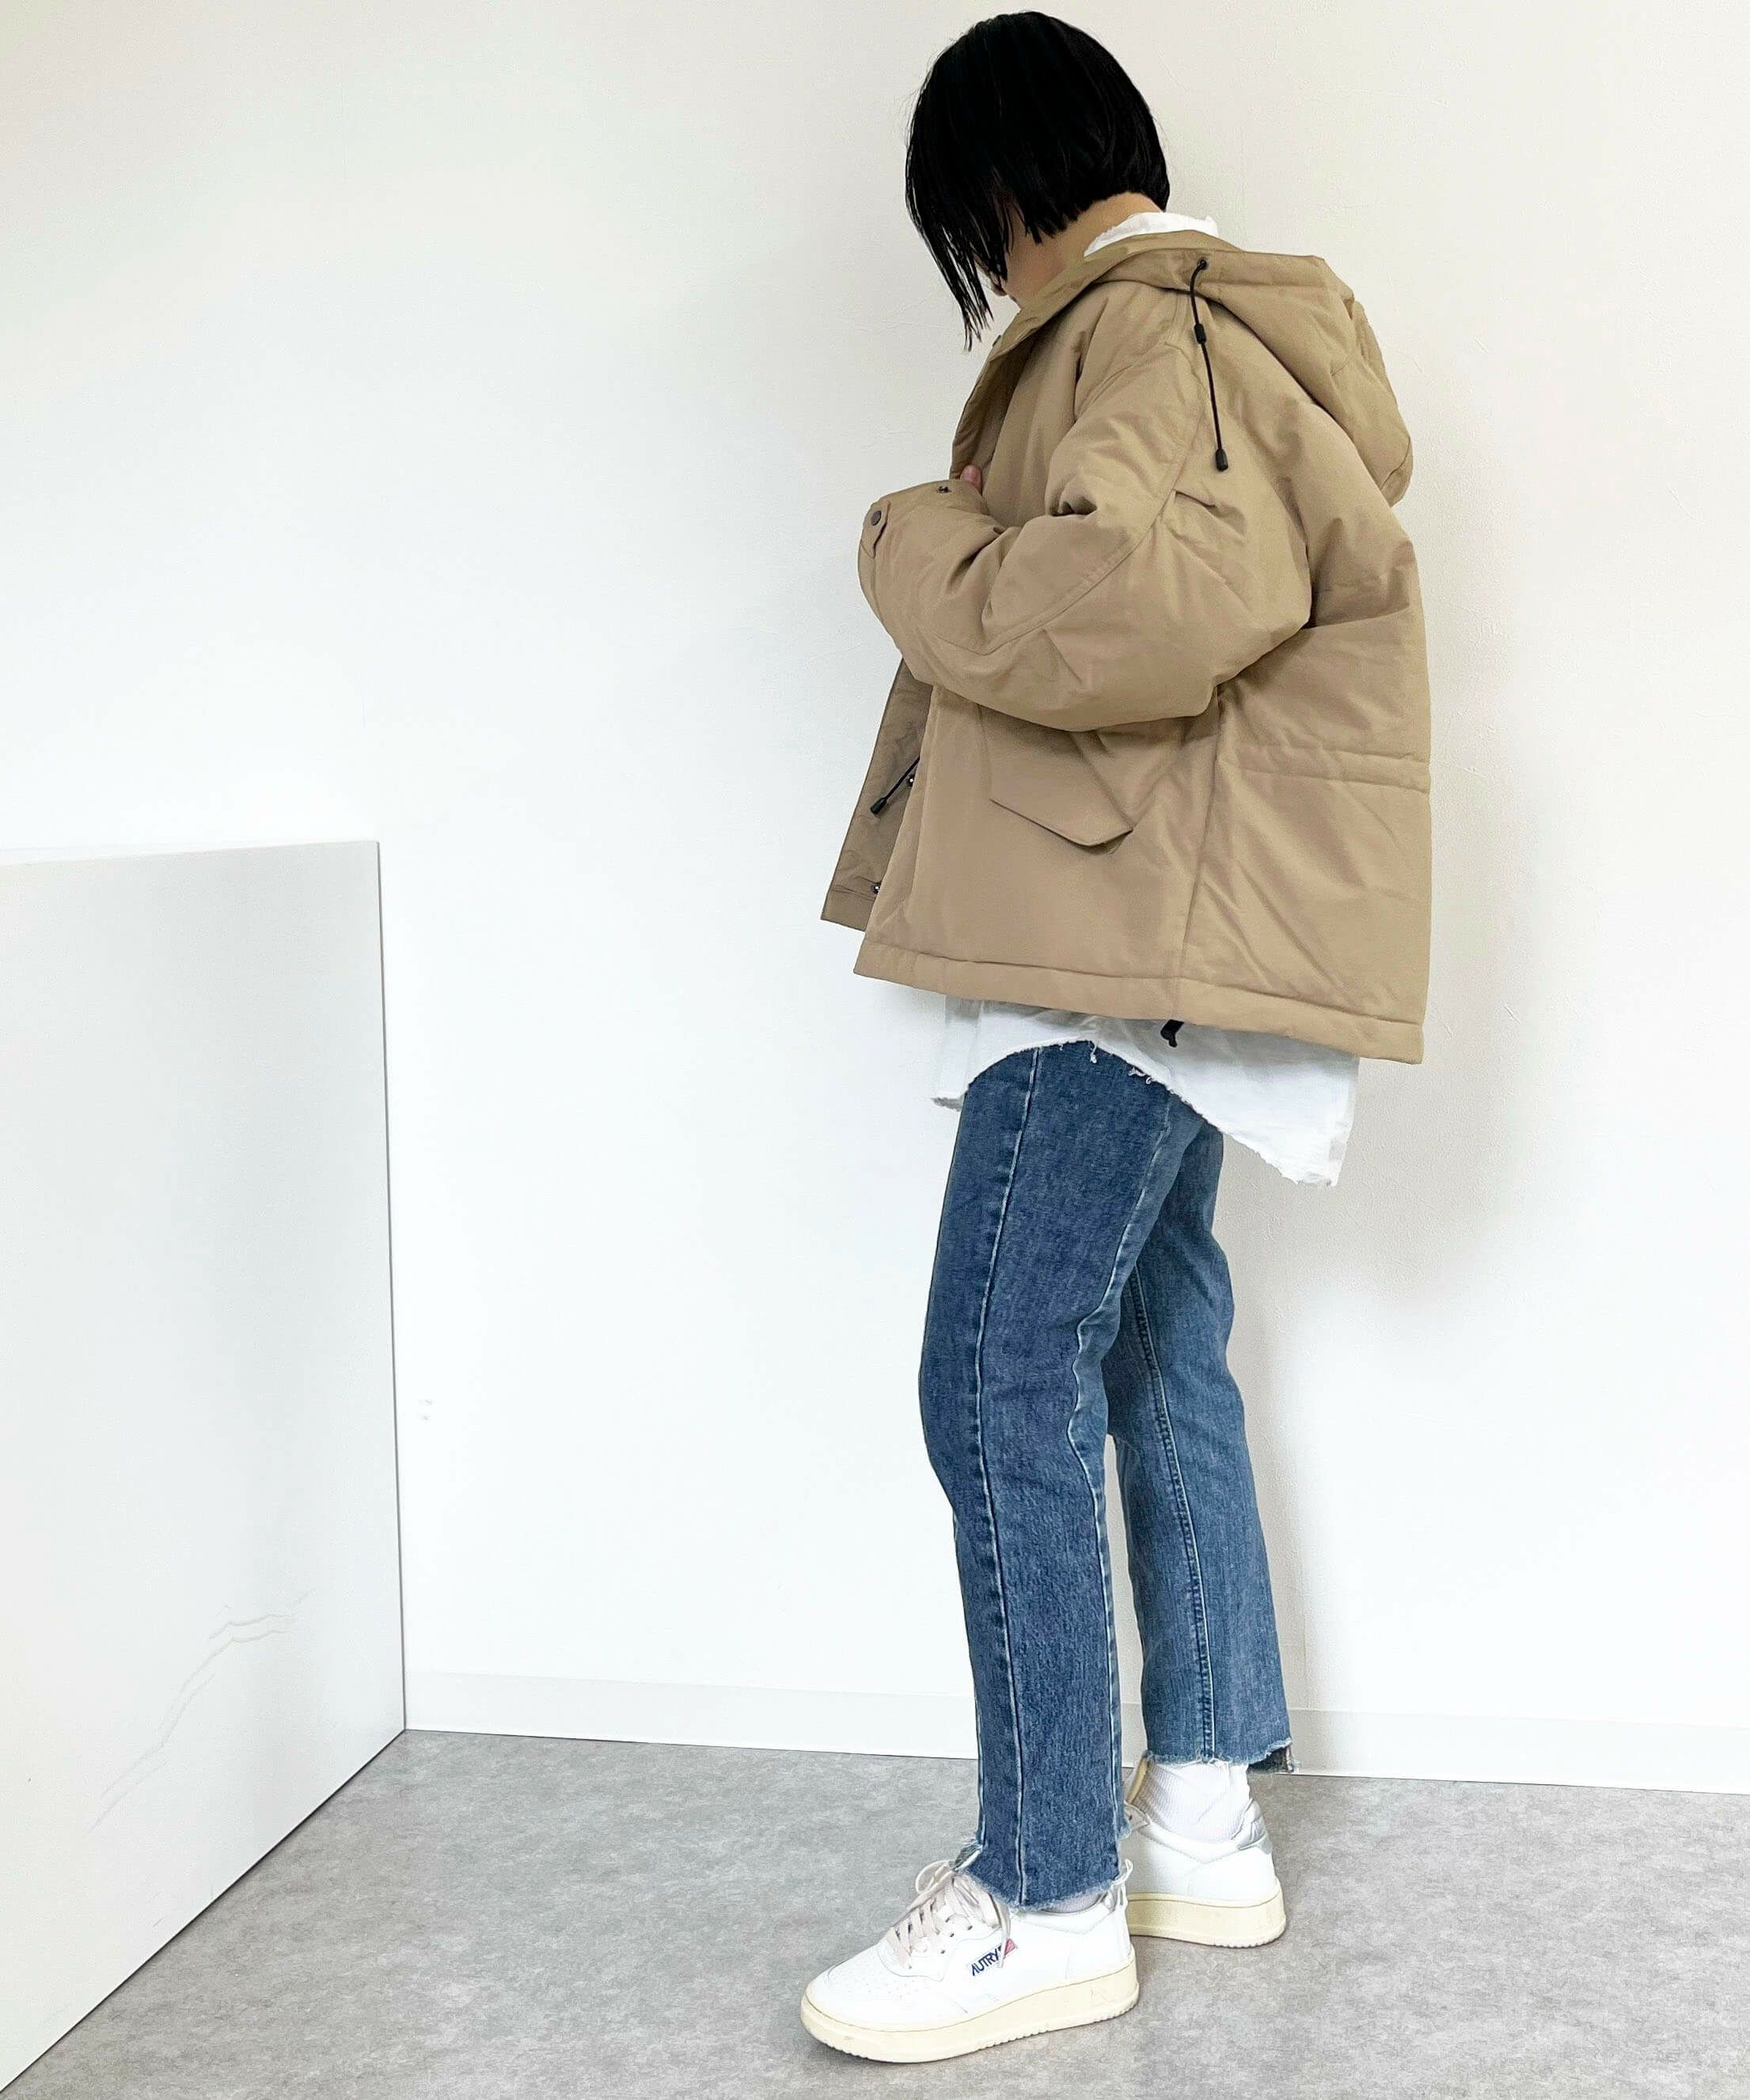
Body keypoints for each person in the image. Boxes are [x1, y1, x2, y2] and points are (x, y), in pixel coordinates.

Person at [803, 9, 1430, 2065]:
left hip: (1121, 939)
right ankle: (1198, 1820)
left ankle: (1045, 1892)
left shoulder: (1148, 329)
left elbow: (1126, 609)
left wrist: (908, 534)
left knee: (994, 1372)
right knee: (1153, 1347)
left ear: (996, 189)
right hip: (1166, 925)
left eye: (965, 231)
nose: (981, 276)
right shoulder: (1213, 336)